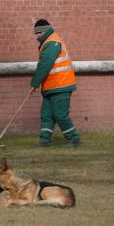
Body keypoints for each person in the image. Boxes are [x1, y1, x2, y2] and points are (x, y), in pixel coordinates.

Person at [31, 19, 80, 147]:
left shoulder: (52, 42)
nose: (36, 36)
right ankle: (45, 141)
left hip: (61, 85)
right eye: (35, 33)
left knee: (60, 115)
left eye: (39, 33)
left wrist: (35, 83)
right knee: (47, 115)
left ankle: (73, 139)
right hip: (51, 86)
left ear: (46, 31)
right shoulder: (49, 41)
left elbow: (44, 65)